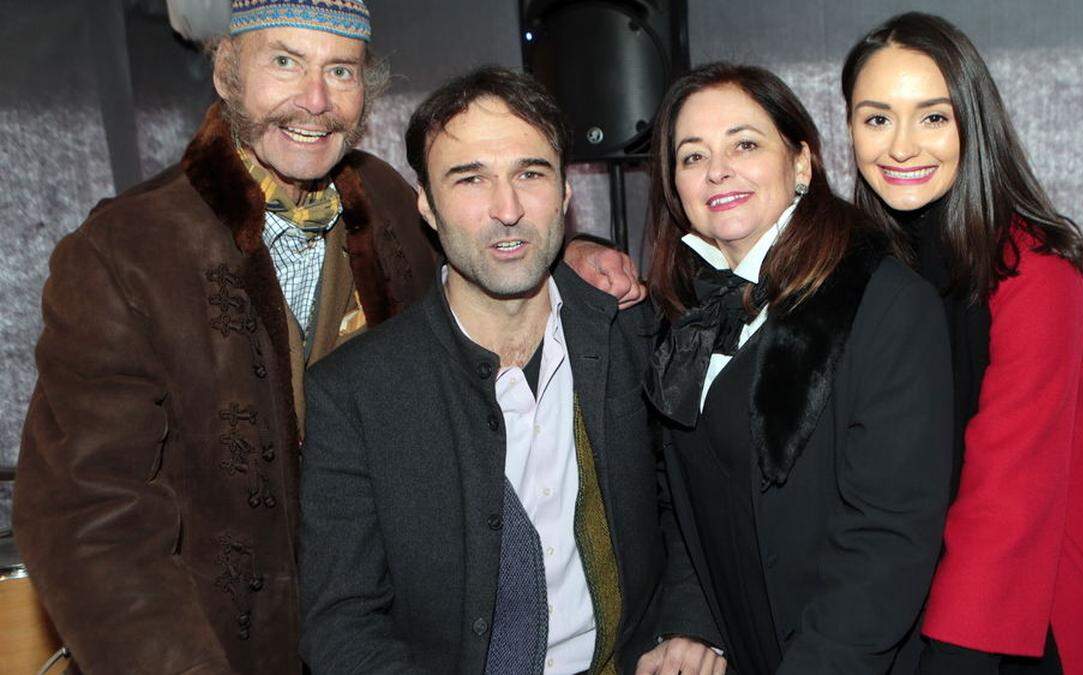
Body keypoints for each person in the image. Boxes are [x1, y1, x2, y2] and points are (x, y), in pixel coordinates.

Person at [12, 1, 640, 672]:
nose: (316, 101)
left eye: (340, 70)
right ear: (227, 72)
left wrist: (567, 257)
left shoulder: (392, 203)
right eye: (285, 61)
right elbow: (91, 520)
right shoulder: (124, 252)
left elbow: (488, 259)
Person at [298, 66, 724, 675]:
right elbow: (342, 624)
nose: (508, 210)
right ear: (427, 203)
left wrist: (689, 623)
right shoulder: (356, 393)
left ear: (566, 193)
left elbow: (690, 504)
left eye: (530, 173)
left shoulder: (630, 328)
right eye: (470, 179)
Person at [841, 12, 1083, 674]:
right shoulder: (871, 260)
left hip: (1055, 602)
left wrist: (955, 653)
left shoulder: (1034, 264)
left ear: (974, 122)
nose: (901, 146)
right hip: (934, 583)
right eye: (877, 118)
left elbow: (1010, 483)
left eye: (933, 117)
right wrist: (584, 256)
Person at [641, 62, 954, 673]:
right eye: (692, 156)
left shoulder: (885, 303)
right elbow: (679, 501)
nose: (718, 170)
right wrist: (690, 623)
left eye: (746, 144)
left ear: (802, 164)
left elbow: (888, 541)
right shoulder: (680, 317)